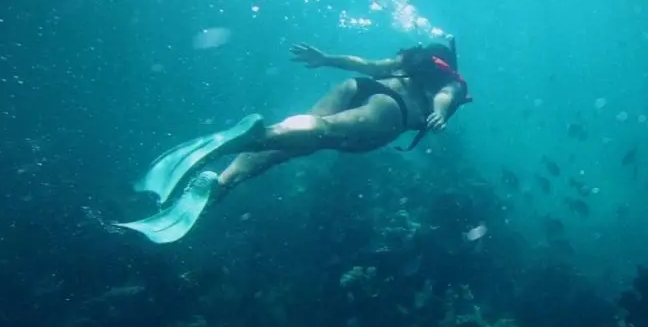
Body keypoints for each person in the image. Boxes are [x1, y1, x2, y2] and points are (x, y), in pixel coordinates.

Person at [116, 36, 472, 243]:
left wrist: (326, 58)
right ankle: (259, 139)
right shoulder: (453, 80)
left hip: (357, 87)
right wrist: (440, 112)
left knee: (300, 136)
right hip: (390, 110)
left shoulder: (411, 59)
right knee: (323, 133)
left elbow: (367, 65)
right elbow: (447, 98)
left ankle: (224, 180)